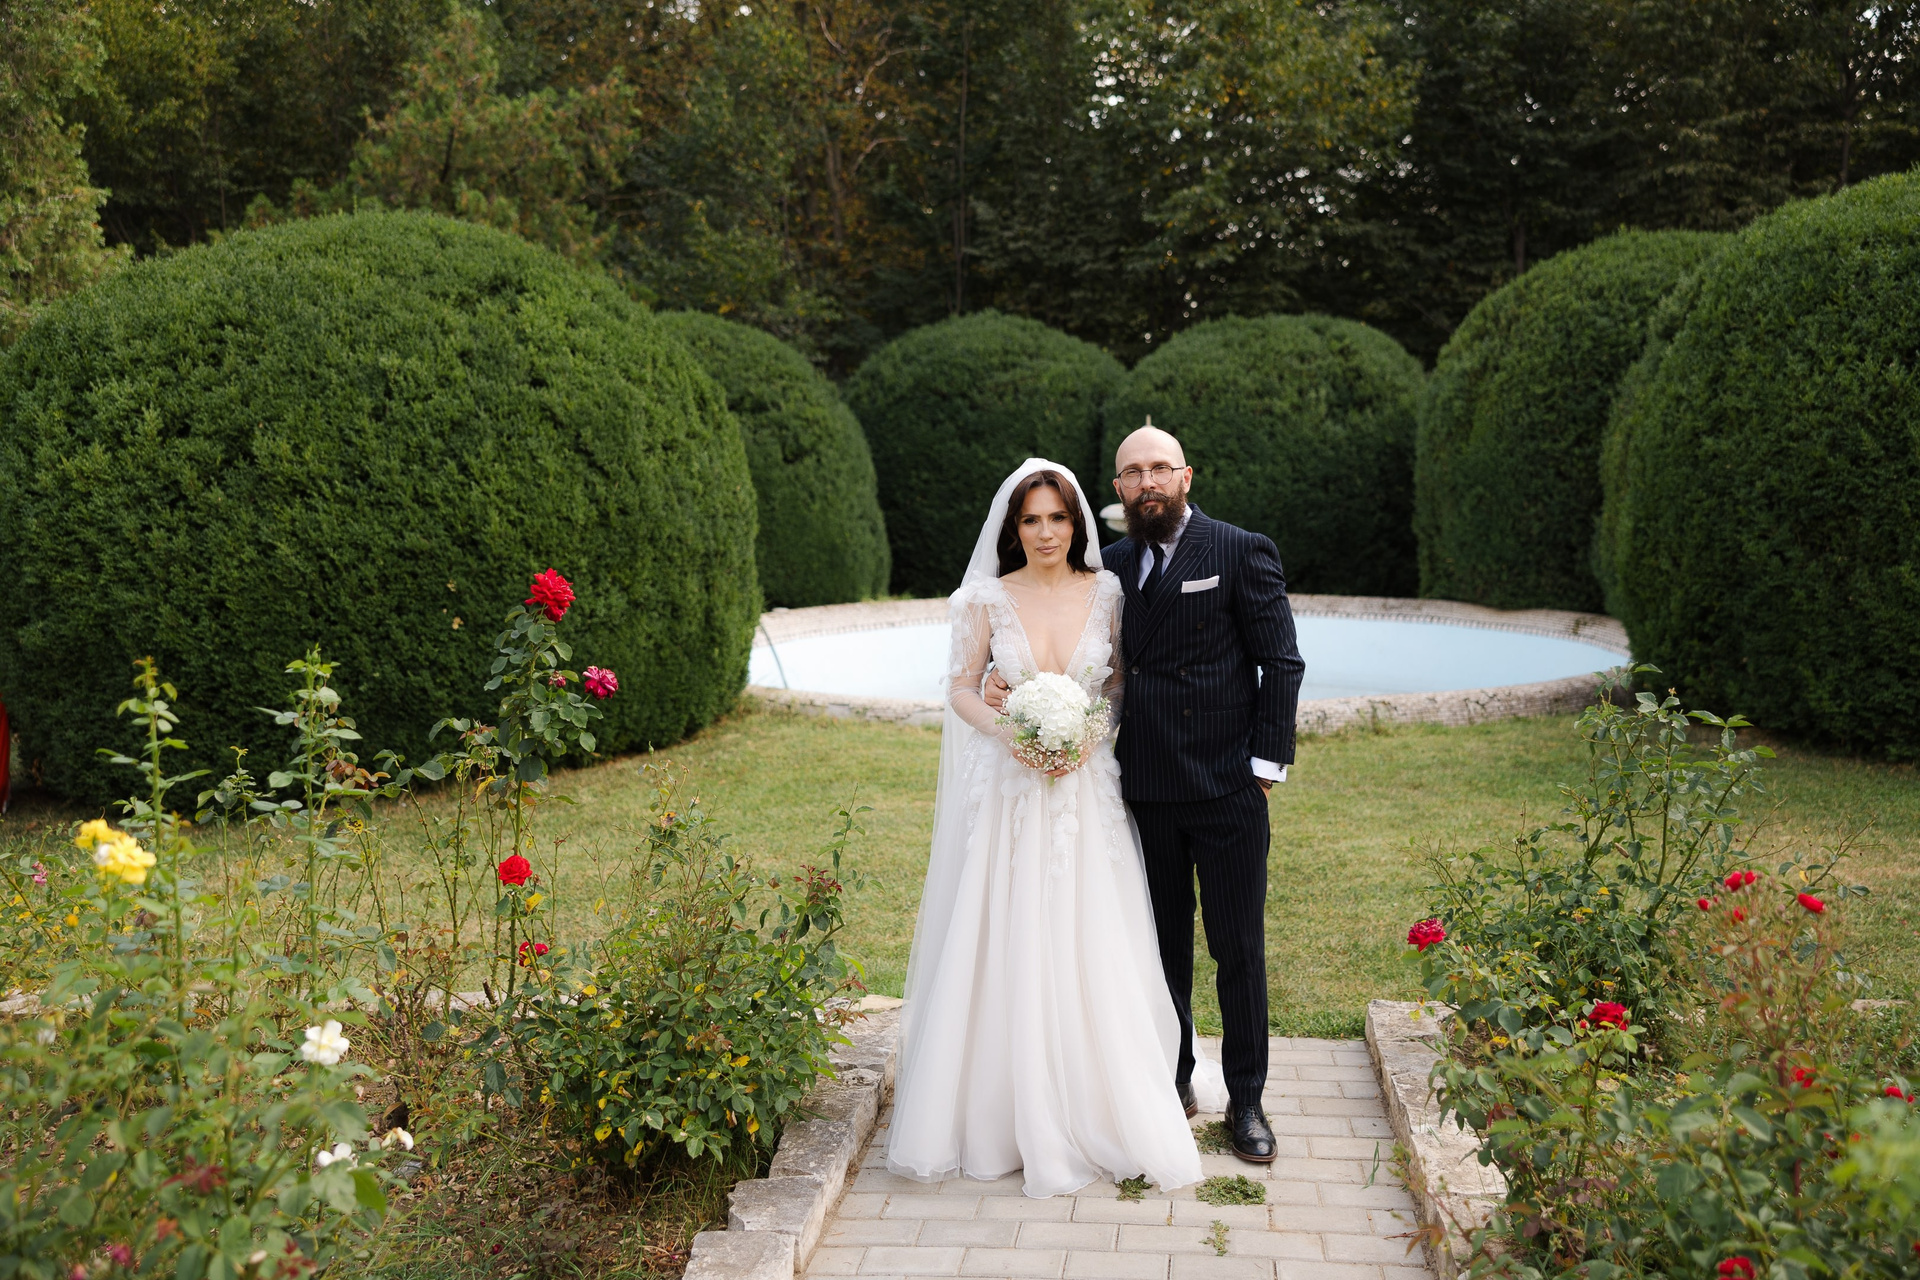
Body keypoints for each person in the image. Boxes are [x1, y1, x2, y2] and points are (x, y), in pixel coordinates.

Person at [885, 458, 1205, 1198]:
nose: (1045, 532)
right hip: (1010, 793)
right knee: (1007, 929)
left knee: (1090, 929)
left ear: (1077, 522)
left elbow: (1118, 683)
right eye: (1031, 520)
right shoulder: (982, 600)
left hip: (1087, 791)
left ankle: (1098, 1098)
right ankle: (1000, 1112)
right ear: (1014, 528)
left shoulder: (1110, 592)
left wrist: (1090, 733)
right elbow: (960, 688)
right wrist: (1013, 731)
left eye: (1057, 518)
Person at [986, 426, 1305, 1163]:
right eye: (1133, 473)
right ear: (1118, 489)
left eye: (1160, 468)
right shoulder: (1111, 567)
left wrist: (1264, 768)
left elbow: (1281, 662)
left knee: (1237, 947)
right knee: (1159, 948)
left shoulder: (1240, 549)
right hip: (1144, 787)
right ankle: (1174, 1078)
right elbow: (1083, 655)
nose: (1148, 482)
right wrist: (1007, 682)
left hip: (1228, 786)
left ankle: (1247, 1100)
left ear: (1186, 476)